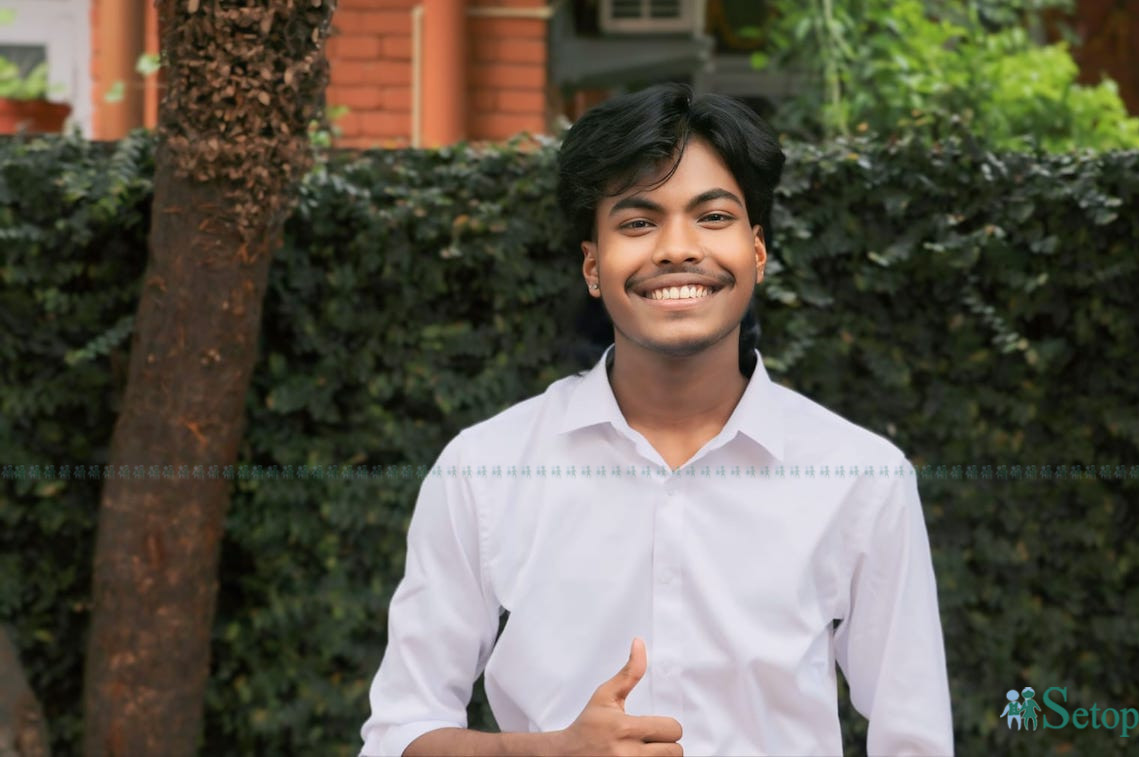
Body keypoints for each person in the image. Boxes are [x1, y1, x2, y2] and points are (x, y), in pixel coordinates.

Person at [360, 83, 954, 756]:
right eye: (638, 222)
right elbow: (398, 735)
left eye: (714, 216)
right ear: (593, 265)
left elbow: (915, 740)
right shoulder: (483, 470)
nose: (676, 248)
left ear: (757, 252)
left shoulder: (862, 478)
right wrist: (552, 752)